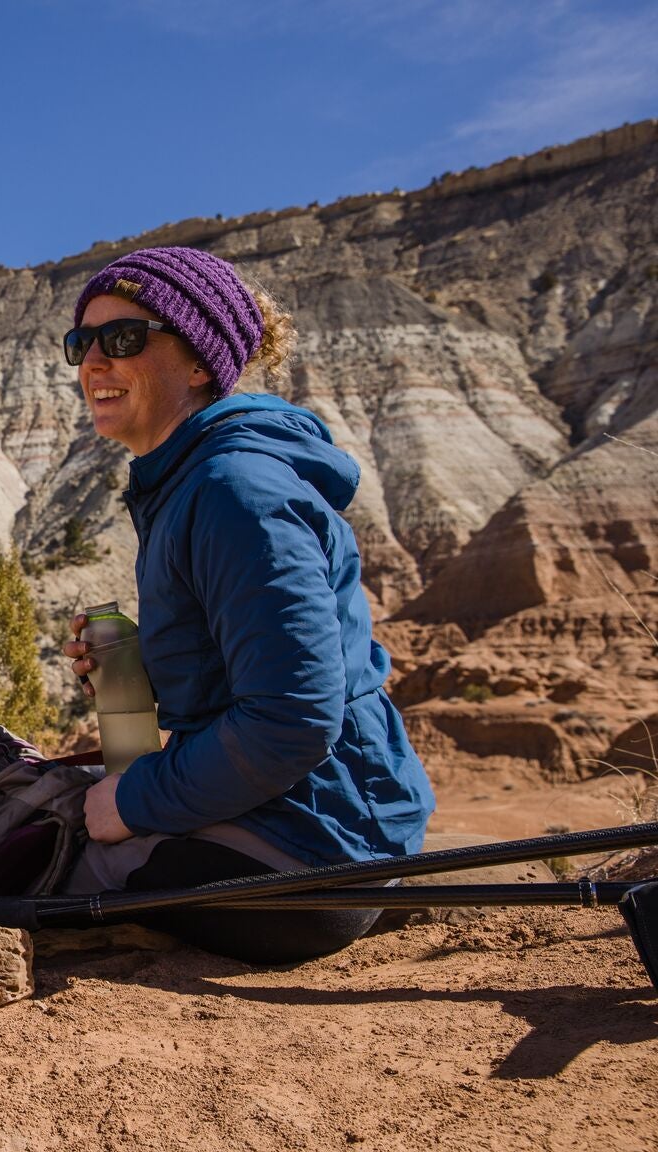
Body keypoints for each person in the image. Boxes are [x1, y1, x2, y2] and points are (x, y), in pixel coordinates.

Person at [57, 246, 436, 963]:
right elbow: (247, 678)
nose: (94, 362)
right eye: (83, 343)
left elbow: (292, 720)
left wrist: (130, 803)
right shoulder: (189, 480)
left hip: (306, 857)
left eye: (125, 338)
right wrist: (139, 667)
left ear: (199, 362)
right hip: (318, 827)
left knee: (25, 864)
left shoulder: (235, 490)